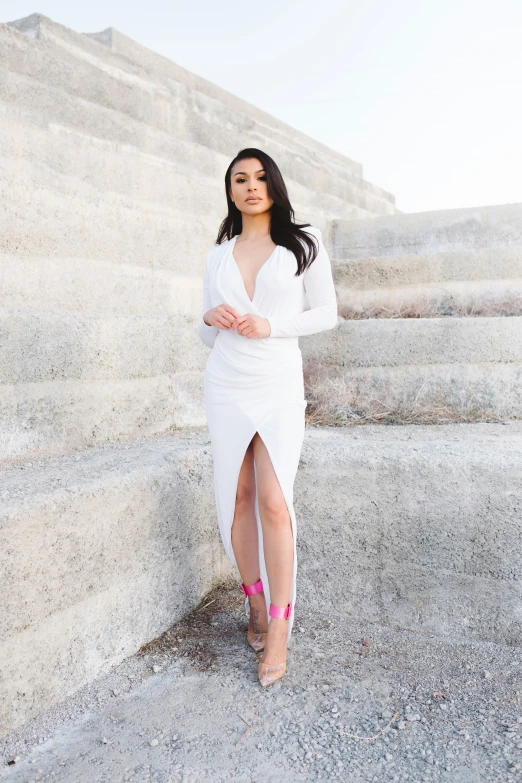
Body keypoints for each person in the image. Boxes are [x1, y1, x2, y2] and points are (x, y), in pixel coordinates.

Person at [196, 147, 338, 687]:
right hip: (226, 383)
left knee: (275, 503)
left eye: (259, 177)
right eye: (240, 179)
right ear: (230, 191)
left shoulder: (304, 241)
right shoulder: (217, 255)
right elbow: (207, 334)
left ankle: (279, 627)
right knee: (236, 497)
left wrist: (271, 326)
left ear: (273, 184)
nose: (251, 186)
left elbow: (327, 313)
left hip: (276, 382)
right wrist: (209, 316)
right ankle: (253, 601)